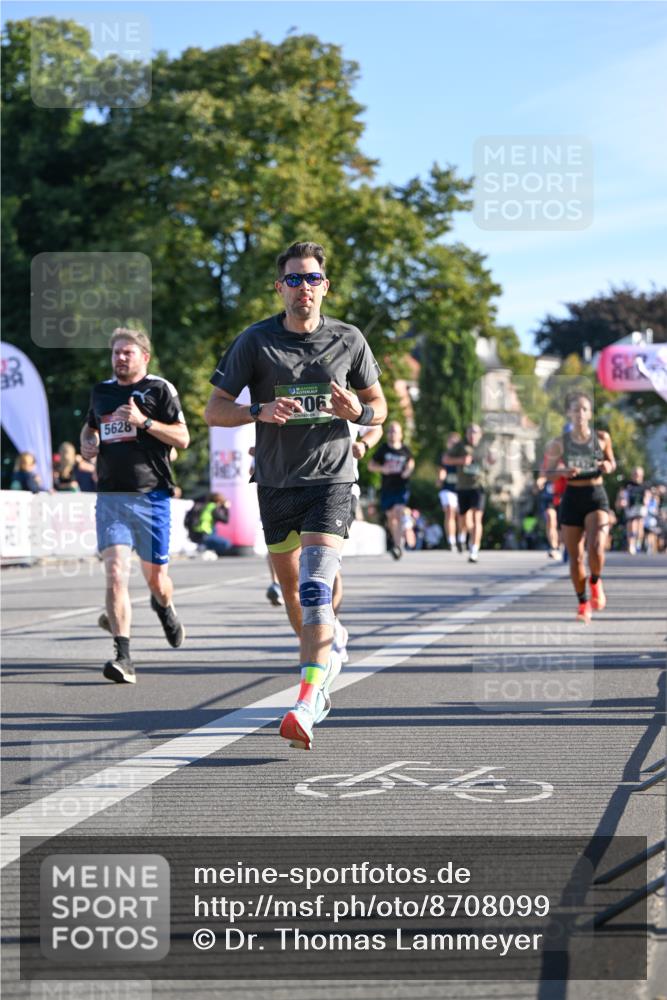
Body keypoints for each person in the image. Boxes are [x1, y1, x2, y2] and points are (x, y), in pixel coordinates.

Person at [205, 240, 386, 750]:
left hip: (332, 478)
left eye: (312, 278)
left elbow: (380, 407)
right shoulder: (256, 342)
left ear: (325, 285)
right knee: (293, 592)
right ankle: (324, 651)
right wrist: (256, 412)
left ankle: (309, 698)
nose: (303, 288)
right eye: (293, 279)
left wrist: (360, 415)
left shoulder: (349, 340)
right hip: (276, 484)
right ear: (280, 287)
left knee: (312, 587)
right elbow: (213, 410)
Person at [80, 327, 190, 683]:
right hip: (111, 497)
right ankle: (123, 656)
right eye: (116, 353)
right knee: (115, 574)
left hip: (152, 495)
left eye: (128, 352)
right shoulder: (102, 391)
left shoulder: (160, 389)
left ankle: (164, 605)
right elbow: (90, 427)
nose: (120, 358)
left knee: (156, 579)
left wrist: (145, 422)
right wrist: (88, 442)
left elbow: (183, 438)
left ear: (145, 357)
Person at [544, 391, 616, 624]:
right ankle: (583, 602)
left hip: (595, 495)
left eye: (584, 409)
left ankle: (595, 580)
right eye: (575, 410)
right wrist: (562, 473)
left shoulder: (601, 438)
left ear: (590, 413)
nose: (580, 414)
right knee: (575, 559)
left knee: (596, 548)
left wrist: (607, 465)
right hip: (572, 496)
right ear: (569, 413)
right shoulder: (560, 443)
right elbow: (547, 473)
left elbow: (612, 463)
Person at [447, 424, 495, 562]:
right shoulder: (460, 446)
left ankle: (474, 550)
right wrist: (461, 461)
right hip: (463, 487)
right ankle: (463, 536)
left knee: (476, 518)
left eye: (475, 433)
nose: (473, 435)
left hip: (479, 486)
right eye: (470, 432)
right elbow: (446, 459)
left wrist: (492, 458)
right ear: (466, 434)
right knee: (463, 519)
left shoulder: (484, 446)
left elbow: (493, 460)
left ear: (480, 434)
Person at [367, 421, 415, 560]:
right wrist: (382, 469)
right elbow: (371, 465)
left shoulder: (405, 449)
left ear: (400, 434)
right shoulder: (384, 449)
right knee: (390, 517)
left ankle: (398, 545)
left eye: (395, 431)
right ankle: (396, 542)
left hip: (401, 487)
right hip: (387, 487)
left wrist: (408, 470)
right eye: (391, 431)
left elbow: (411, 462)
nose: (393, 433)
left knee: (399, 512)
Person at [184, 492, 233, 557]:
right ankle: (204, 548)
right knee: (227, 543)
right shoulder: (213, 508)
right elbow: (225, 520)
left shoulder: (204, 506)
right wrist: (226, 508)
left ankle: (203, 548)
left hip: (196, 533)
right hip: (206, 534)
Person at [616, 466, 649, 554]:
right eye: (635, 474)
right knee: (631, 524)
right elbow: (621, 494)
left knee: (639, 524)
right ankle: (631, 544)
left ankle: (638, 541)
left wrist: (646, 501)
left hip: (640, 507)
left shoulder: (644, 485)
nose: (636, 476)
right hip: (630, 507)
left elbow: (647, 495)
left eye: (638, 475)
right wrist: (621, 501)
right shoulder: (628, 485)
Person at [437, 432, 462, 550]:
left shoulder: (463, 456)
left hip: (462, 489)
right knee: (449, 511)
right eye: (451, 442)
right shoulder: (445, 456)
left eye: (455, 443)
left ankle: (462, 539)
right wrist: (440, 478)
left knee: (462, 516)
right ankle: (451, 541)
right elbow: (442, 469)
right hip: (447, 489)